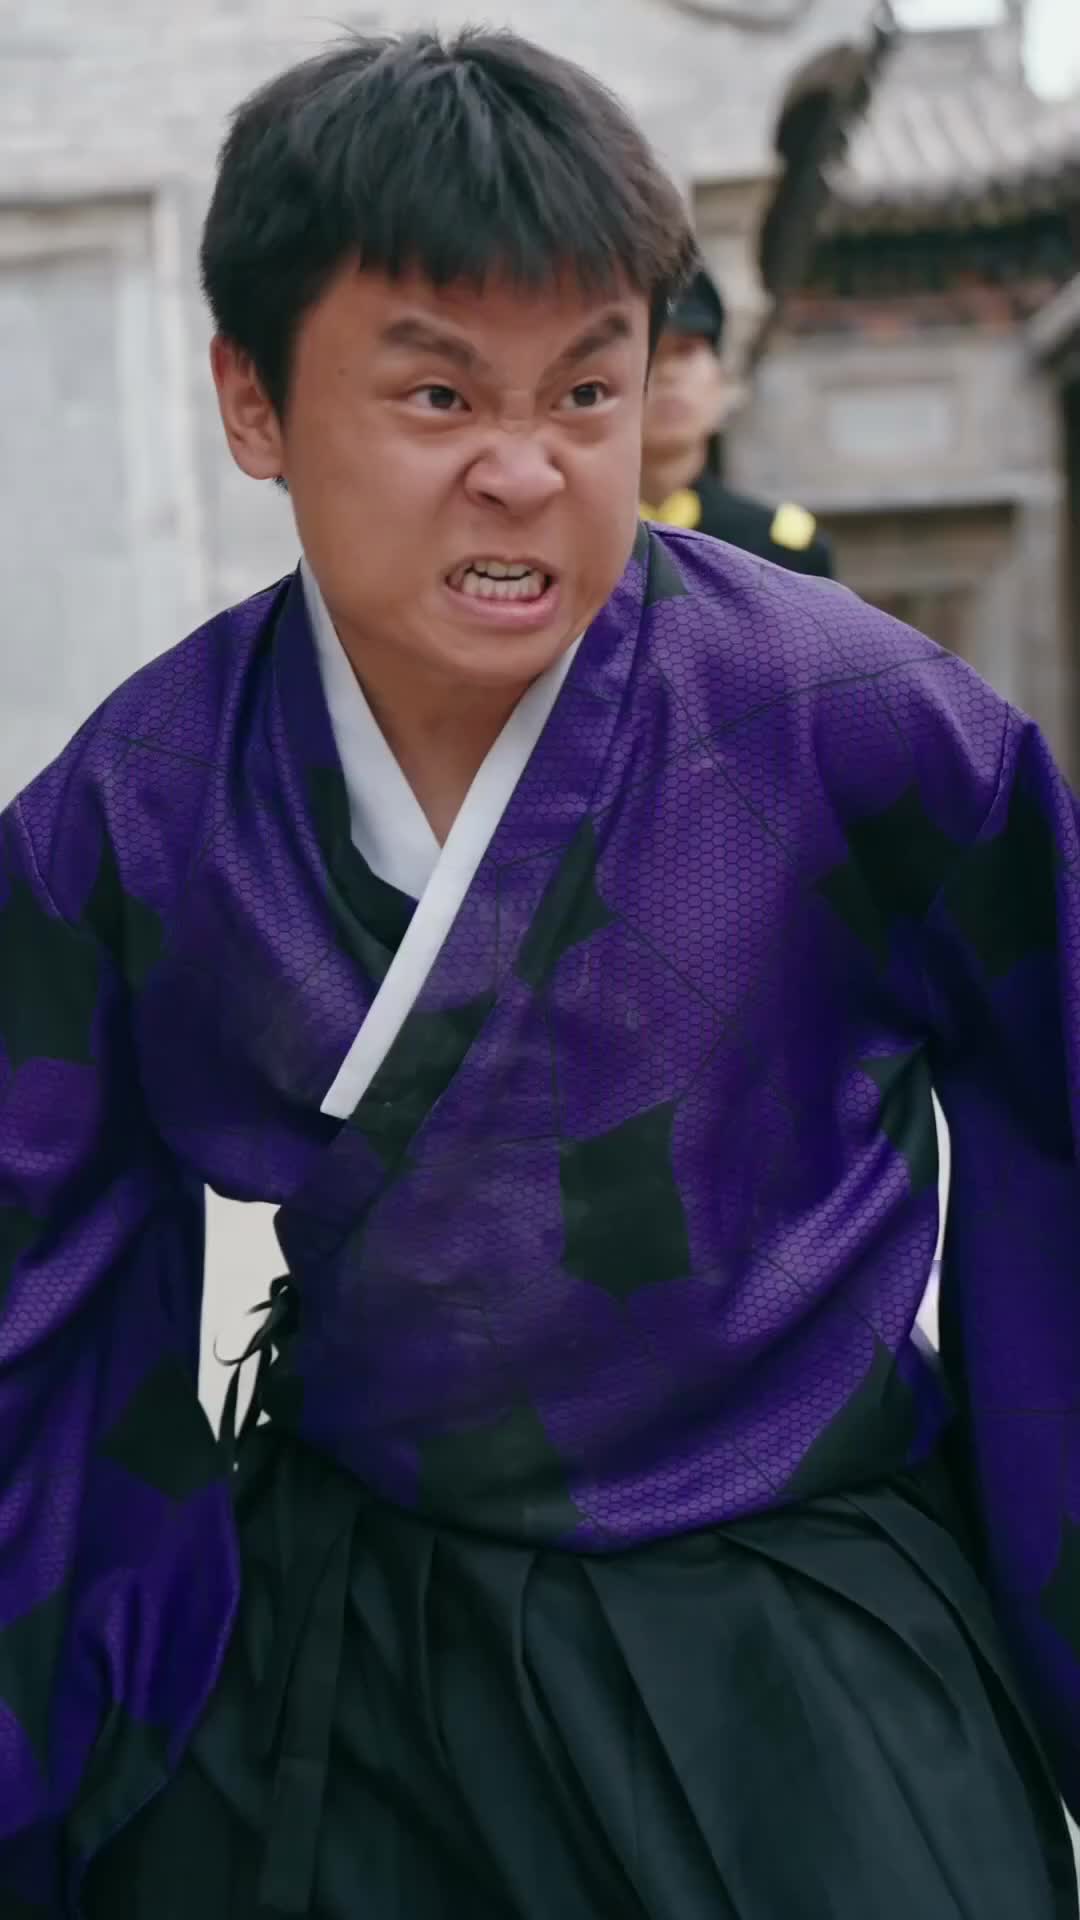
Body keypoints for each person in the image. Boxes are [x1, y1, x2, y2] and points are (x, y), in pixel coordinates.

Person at [0, 26, 1078, 1920]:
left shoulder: (854, 723)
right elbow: (33, 1301)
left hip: (793, 1639)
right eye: (437, 395)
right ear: (255, 401)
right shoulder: (139, 809)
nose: (526, 471)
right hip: (356, 1652)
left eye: (587, 388)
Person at [640, 263, 835, 575]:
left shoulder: (780, 550)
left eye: (686, 351)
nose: (668, 373)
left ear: (720, 381)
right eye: (649, 355)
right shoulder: (572, 542)